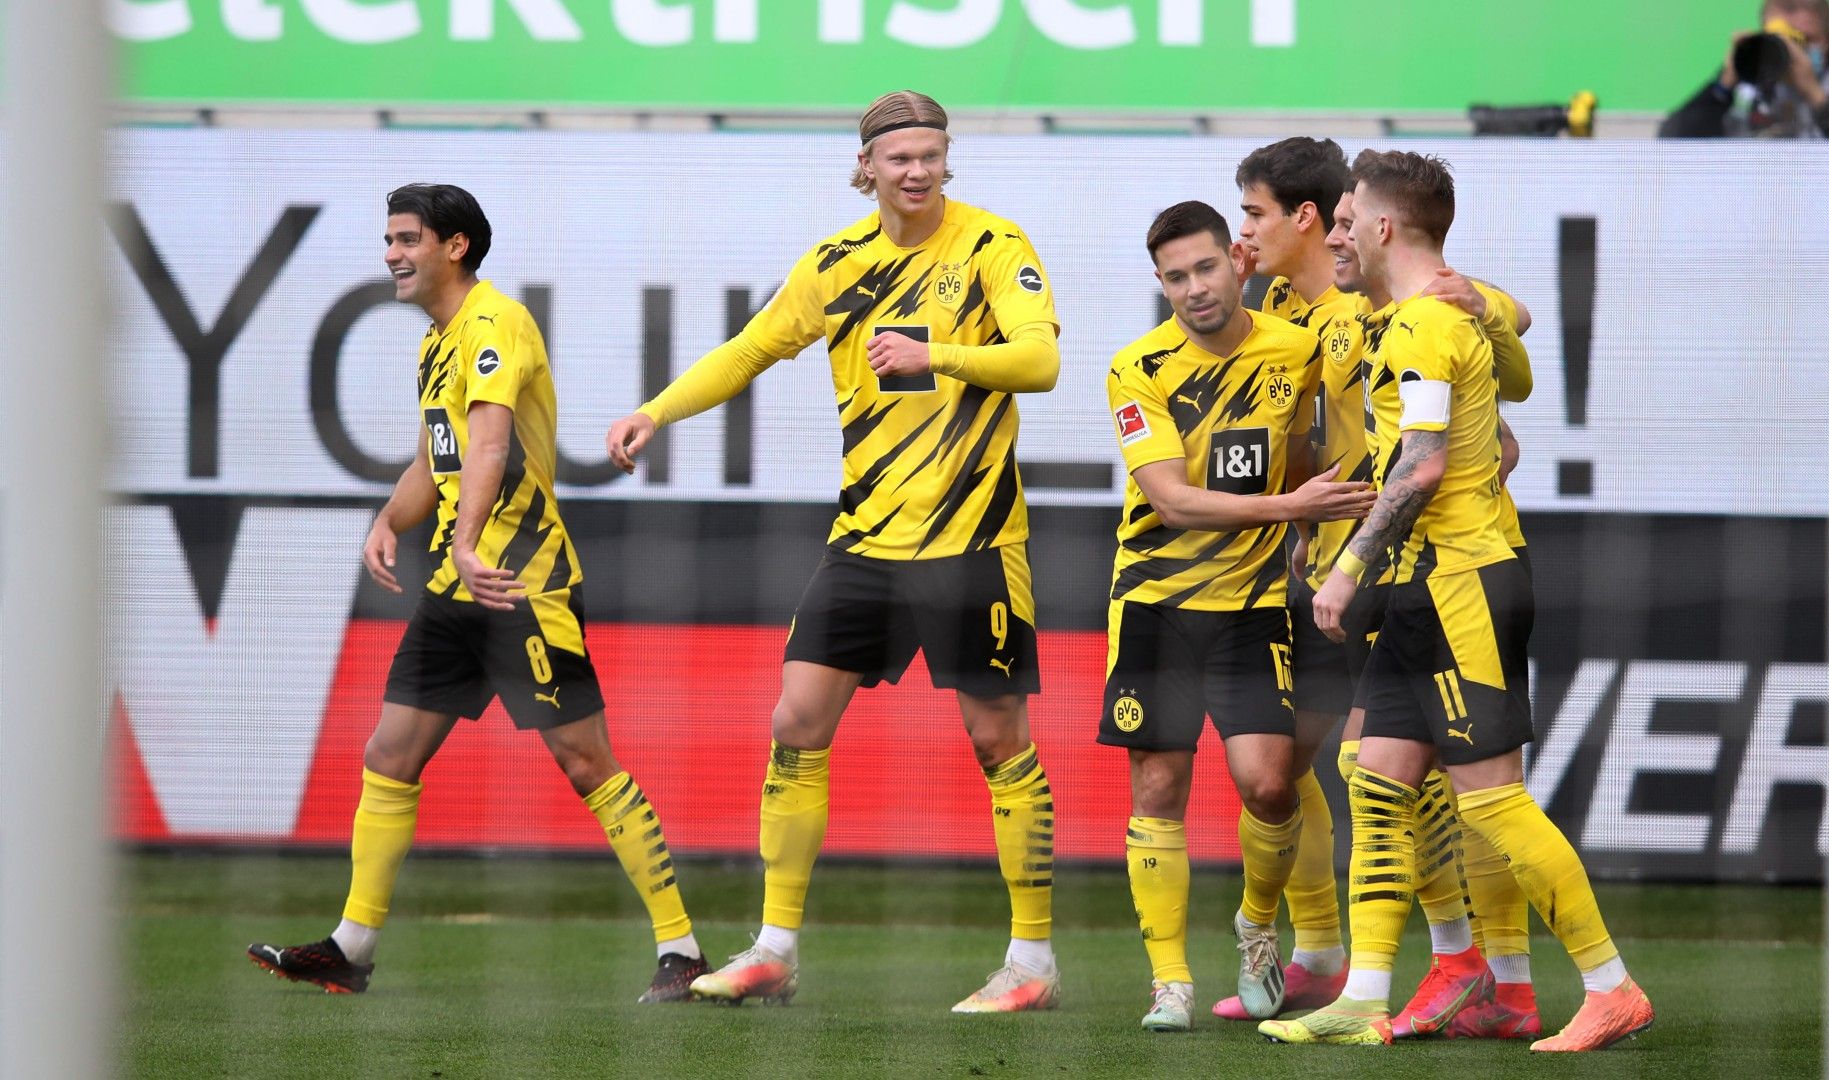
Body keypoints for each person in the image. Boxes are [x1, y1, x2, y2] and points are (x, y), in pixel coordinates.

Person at [604, 90, 1064, 1013]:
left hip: (973, 538)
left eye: (933, 154)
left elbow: (1041, 362)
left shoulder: (992, 245)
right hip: (863, 541)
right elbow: (746, 351)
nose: (919, 170)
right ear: (866, 169)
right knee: (795, 723)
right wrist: (656, 410)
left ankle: (1033, 964)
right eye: (901, 158)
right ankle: (774, 948)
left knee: (997, 738)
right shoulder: (833, 263)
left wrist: (938, 354)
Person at [247, 184, 708, 1002]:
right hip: (459, 587)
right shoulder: (438, 342)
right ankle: (351, 949)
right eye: (388, 239)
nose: (391, 253)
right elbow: (441, 459)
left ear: (454, 246)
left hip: (520, 583)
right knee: (389, 755)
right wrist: (391, 519)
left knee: (585, 760)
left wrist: (459, 541)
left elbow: (492, 445)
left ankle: (683, 950)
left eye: (406, 239)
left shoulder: (495, 324)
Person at [1262, 151, 1653, 1053]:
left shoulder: (1420, 325)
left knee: (1492, 800)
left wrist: (1348, 566)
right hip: (1427, 582)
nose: (1343, 229)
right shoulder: (1433, 311)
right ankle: (1369, 995)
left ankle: (1609, 986)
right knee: (1375, 771)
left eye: (1352, 215)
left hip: (1462, 581)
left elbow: (1425, 462)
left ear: (1385, 226)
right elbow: (1505, 397)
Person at [1222, 140, 1544, 1041]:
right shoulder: (1293, 306)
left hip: (1412, 562)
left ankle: (1489, 973)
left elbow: (1497, 387)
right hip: (1352, 567)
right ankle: (1426, 968)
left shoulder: (1393, 305)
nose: (1242, 235)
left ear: (1315, 222)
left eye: (1251, 215)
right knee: (1379, 773)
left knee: (1458, 784)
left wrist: (1491, 303)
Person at [1103, 200, 1376, 1031]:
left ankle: (1259, 925)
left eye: (1206, 268)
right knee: (1159, 783)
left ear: (1238, 263)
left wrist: (1307, 528)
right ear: (1161, 284)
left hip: (1253, 608)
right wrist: (1292, 504)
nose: (1194, 289)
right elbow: (1173, 501)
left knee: (1269, 784)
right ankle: (1169, 981)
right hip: (1155, 603)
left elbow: (1300, 453)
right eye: (1176, 277)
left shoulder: (1294, 351)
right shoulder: (1136, 367)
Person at [1660, 0, 1829, 139]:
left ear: (1827, 40)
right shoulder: (1752, 69)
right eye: (1782, 41)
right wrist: (1724, 84)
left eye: (1804, 42)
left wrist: (1816, 96)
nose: (1790, 53)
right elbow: (1671, 140)